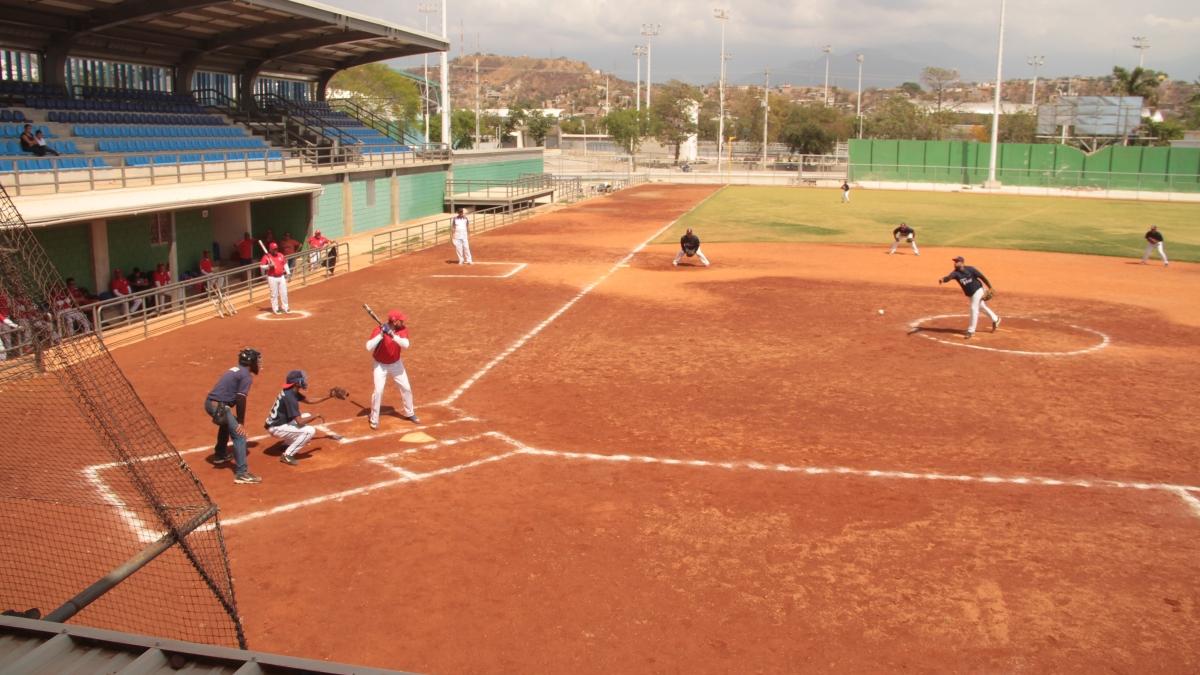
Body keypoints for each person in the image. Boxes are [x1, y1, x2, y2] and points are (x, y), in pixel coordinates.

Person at [204, 348, 262, 484]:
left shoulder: (236, 369)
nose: (258, 363)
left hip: (211, 403)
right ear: (250, 362)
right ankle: (242, 473)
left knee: (226, 424)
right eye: (256, 360)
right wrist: (241, 422)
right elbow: (241, 398)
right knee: (239, 434)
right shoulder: (246, 376)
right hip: (219, 407)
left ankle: (220, 455)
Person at [366, 309, 419, 429]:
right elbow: (368, 346)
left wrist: (392, 335)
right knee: (378, 391)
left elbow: (406, 345)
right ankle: (374, 418)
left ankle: (409, 413)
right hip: (380, 365)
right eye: (401, 320)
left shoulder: (402, 330)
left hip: (396, 364)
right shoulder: (378, 330)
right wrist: (381, 335)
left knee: (406, 387)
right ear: (395, 321)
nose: (403, 321)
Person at [939, 256, 1000, 339]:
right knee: (981, 307)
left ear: (962, 263)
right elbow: (948, 278)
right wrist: (943, 279)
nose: (955, 263)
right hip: (970, 294)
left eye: (957, 261)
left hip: (978, 290)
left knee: (973, 308)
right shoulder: (956, 273)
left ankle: (971, 331)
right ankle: (995, 319)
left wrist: (990, 287)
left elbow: (982, 277)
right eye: (955, 262)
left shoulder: (971, 269)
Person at [265, 370, 317, 466]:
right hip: (276, 428)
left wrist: (329, 396)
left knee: (306, 415)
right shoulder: (290, 397)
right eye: (302, 380)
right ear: (296, 383)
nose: (304, 381)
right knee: (309, 431)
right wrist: (316, 416)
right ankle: (287, 455)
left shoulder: (291, 391)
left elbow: (310, 401)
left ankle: (287, 444)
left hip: (276, 423)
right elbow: (300, 422)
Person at [259, 242, 290, 314]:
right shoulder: (266, 256)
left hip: (281, 276)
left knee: (284, 293)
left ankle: (285, 307)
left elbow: (285, 264)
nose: (276, 250)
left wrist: (288, 273)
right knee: (274, 294)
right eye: (274, 249)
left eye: (276, 249)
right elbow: (261, 266)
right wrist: (269, 266)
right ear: (270, 249)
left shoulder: (281, 255)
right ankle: (276, 308)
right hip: (272, 277)